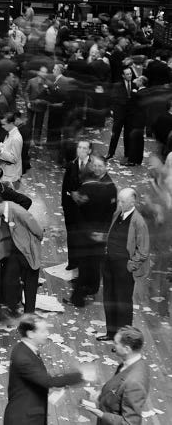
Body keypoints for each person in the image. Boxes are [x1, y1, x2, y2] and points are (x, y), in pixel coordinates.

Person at [3, 315, 93, 425]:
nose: (47, 334)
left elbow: (37, 378)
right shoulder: (24, 358)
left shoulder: (23, 348)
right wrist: (81, 375)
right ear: (31, 334)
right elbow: (48, 381)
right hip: (24, 418)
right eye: (43, 331)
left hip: (30, 412)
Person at [0, 194, 44, 316]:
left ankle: (29, 313)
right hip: (13, 253)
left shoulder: (17, 210)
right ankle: (13, 308)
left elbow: (35, 227)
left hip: (26, 251)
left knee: (30, 284)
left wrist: (36, 241)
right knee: (9, 281)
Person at [97, 188, 149, 342]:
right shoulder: (117, 214)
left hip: (124, 268)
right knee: (109, 300)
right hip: (109, 264)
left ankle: (123, 340)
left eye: (123, 201)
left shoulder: (139, 222)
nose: (119, 204)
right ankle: (111, 333)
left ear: (133, 202)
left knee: (123, 304)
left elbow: (143, 250)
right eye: (119, 200)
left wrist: (131, 265)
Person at [66, 156, 117, 307]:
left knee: (87, 262)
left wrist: (103, 232)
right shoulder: (99, 183)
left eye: (100, 165)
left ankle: (78, 297)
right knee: (93, 262)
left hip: (94, 231)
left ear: (106, 166)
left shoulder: (107, 186)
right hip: (90, 230)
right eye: (95, 165)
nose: (97, 168)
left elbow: (110, 212)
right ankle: (91, 287)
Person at [82, 326, 150, 425]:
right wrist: (102, 394)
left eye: (116, 343)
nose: (113, 346)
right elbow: (118, 386)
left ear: (127, 349)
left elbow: (130, 423)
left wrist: (101, 414)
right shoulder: (132, 362)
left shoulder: (135, 383)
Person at [62, 140, 93, 270]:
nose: (80, 150)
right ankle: (72, 261)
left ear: (89, 151)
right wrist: (65, 205)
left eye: (84, 148)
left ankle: (83, 264)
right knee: (72, 235)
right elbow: (65, 187)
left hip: (87, 210)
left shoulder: (94, 166)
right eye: (79, 147)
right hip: (71, 208)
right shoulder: (71, 165)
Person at [0, 112, 24, 186]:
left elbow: (14, 158)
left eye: (4, 124)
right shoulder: (9, 134)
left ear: (11, 123)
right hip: (6, 172)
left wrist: (0, 151)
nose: (2, 127)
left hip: (11, 175)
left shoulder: (16, 138)